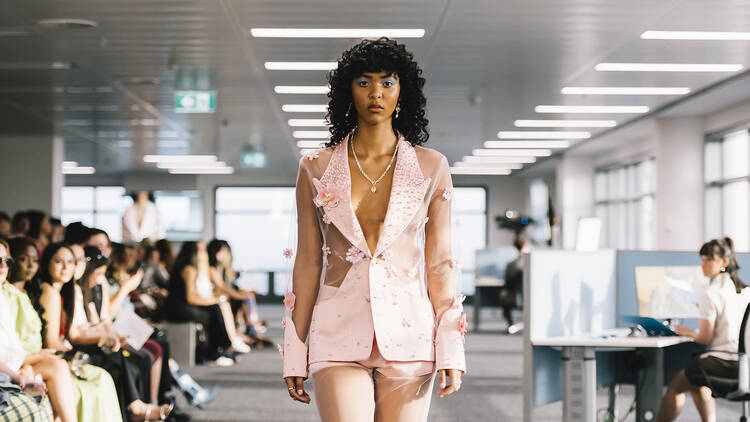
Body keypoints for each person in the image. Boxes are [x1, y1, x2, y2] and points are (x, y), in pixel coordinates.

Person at [281, 38, 466, 421]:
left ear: (403, 91)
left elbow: (440, 263)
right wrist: (295, 349)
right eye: (364, 82)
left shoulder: (432, 167)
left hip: (410, 335)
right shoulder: (315, 167)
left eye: (387, 82)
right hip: (337, 332)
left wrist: (451, 344)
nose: (376, 93)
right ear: (348, 90)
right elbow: (308, 262)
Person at [34, 242, 171, 421]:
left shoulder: (67, 291)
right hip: (60, 353)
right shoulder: (52, 293)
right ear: (47, 264)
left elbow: (98, 320)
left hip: (68, 348)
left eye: (73, 261)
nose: (69, 267)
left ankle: (138, 407)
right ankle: (136, 408)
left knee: (126, 355)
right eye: (60, 261)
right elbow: (57, 340)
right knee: (115, 359)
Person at [656, 237, 750, 422]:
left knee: (676, 386)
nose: (703, 264)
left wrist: (688, 332)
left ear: (724, 261)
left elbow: (706, 338)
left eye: (709, 259)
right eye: (702, 259)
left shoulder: (711, 293)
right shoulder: (746, 291)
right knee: (697, 381)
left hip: (722, 361)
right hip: (744, 364)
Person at [165, 242, 249, 366]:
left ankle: (221, 348)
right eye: (201, 251)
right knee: (211, 312)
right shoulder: (189, 270)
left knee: (213, 309)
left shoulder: (187, 268)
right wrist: (211, 301)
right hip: (178, 309)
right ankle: (215, 352)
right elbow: (190, 297)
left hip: (178, 307)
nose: (205, 254)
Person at [0, 238, 55, 422]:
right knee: (31, 408)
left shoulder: (3, 296)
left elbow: (12, 347)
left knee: (41, 402)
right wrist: (19, 376)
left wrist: (24, 371)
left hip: (11, 370)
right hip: (7, 374)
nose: (2, 266)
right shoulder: (9, 295)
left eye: (6, 261)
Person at [207, 239, 268, 343]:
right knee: (243, 299)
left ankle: (249, 325)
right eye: (224, 251)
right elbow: (224, 288)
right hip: (219, 297)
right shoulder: (212, 269)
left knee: (245, 297)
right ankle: (249, 326)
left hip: (223, 296)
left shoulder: (221, 268)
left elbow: (229, 286)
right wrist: (242, 295)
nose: (226, 255)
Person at [500, 234, 529, 333]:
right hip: (528, 298)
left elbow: (507, 284)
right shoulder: (532, 264)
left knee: (503, 295)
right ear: (526, 245)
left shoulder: (511, 265)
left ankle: (511, 324)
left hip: (514, 297)